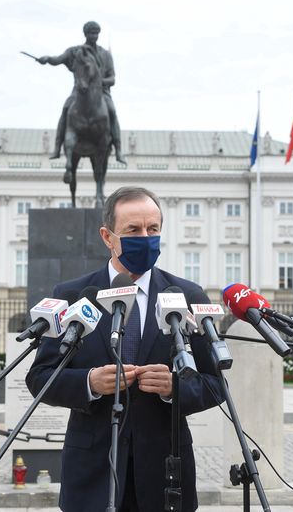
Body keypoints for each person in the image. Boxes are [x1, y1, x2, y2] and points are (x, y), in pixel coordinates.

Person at [25, 186, 223, 512]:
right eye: (133, 230)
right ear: (108, 236)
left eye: (153, 229)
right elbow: (40, 377)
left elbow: (216, 385)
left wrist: (176, 387)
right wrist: (89, 383)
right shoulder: (73, 295)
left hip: (165, 476)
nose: (145, 237)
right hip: (92, 475)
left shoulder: (187, 296)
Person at [37, 21, 125, 164]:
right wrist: (47, 59)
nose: (94, 36)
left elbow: (113, 79)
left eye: (96, 33)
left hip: (101, 93)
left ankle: (119, 150)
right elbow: (58, 59)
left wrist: (100, 82)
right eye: (91, 33)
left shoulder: (105, 55)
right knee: (66, 109)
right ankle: (57, 147)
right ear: (85, 34)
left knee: (112, 111)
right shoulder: (74, 51)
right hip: (79, 92)